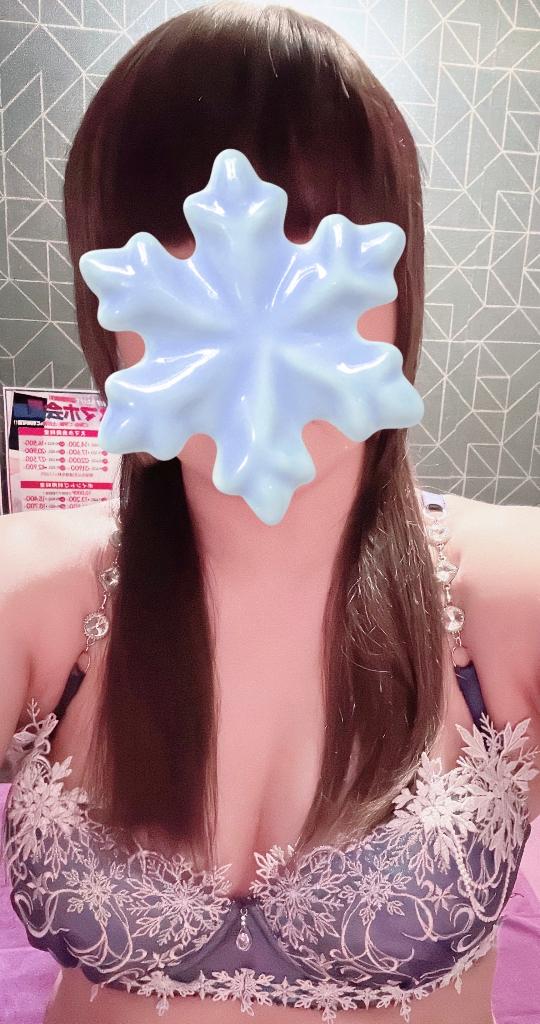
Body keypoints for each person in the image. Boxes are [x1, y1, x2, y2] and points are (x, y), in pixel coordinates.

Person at [1, 4, 539, 1024]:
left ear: (396, 276)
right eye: (171, 234)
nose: (242, 283)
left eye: (313, 227)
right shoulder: (38, 593)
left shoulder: (509, 594)